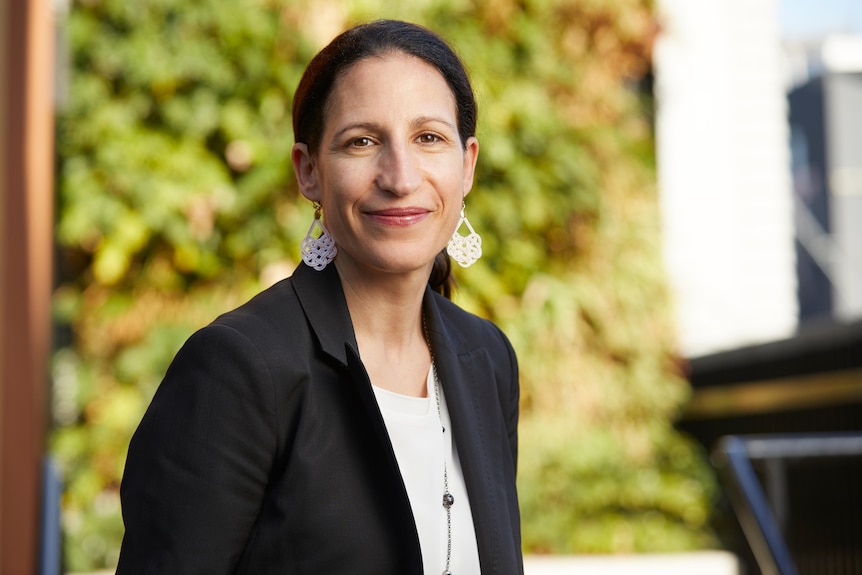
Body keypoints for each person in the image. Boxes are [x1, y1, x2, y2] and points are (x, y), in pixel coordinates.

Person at [117, 19, 523, 575]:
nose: (400, 177)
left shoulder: (488, 359)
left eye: (428, 138)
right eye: (362, 142)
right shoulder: (238, 369)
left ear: (468, 163)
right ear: (309, 172)